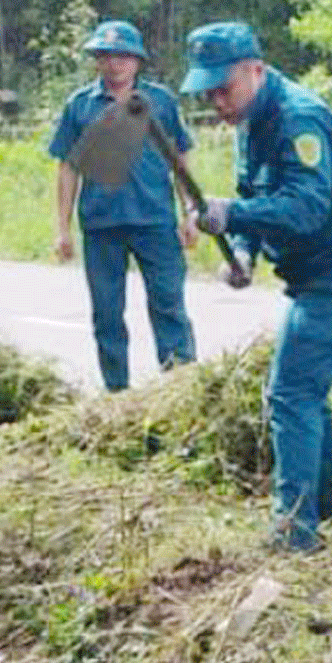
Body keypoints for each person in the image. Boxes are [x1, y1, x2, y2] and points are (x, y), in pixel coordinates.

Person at [184, 21, 332, 553]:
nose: (216, 102)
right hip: (314, 271)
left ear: (255, 69)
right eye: (207, 93)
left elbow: (305, 206)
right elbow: (252, 192)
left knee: (290, 392)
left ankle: (293, 532)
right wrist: (245, 253)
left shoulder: (299, 117)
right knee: (306, 389)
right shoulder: (251, 119)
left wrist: (232, 217)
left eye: (222, 89)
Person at [46, 20, 198, 393]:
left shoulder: (159, 102)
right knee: (107, 315)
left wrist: (189, 213)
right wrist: (62, 230)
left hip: (155, 222)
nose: (115, 65)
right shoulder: (80, 105)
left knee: (169, 308)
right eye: (107, 57)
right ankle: (117, 394)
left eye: (123, 57)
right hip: (101, 226)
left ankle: (180, 389)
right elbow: (67, 168)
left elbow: (180, 157)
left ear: (137, 61)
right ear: (97, 61)